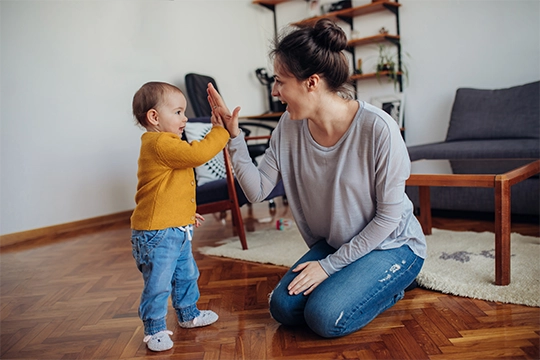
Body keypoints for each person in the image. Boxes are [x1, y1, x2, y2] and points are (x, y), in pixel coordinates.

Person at [207, 19, 426, 338]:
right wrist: (234, 137)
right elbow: (256, 192)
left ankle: (395, 283)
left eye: (280, 81)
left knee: (324, 317)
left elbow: (389, 217)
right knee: (282, 307)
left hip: (393, 244)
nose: (274, 91)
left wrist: (327, 267)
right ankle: (359, 280)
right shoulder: (288, 127)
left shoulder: (378, 129)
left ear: (311, 82)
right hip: (338, 243)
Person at [130, 81, 229, 351]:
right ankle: (154, 329)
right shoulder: (160, 143)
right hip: (157, 233)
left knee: (186, 274)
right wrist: (219, 132)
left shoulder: (168, 143)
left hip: (176, 227)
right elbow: (197, 154)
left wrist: (186, 213)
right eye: (178, 112)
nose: (184, 118)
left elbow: (170, 187)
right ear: (154, 117)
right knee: (159, 284)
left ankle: (188, 314)